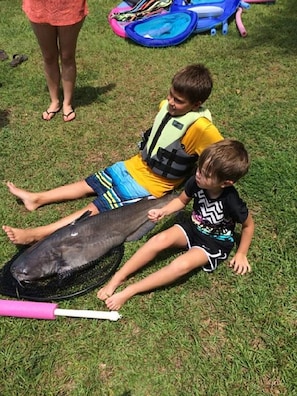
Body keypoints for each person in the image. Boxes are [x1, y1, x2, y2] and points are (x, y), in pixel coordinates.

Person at [2, 64, 223, 245]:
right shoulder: (166, 106)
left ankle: (38, 234)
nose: (172, 103)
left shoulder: (202, 128)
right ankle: (37, 198)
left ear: (197, 104)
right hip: (135, 165)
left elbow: (223, 157)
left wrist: (204, 181)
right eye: (171, 95)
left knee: (96, 207)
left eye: (179, 101)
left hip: (153, 184)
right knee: (88, 184)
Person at [97, 139, 255, 310]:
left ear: (225, 183)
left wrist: (241, 253)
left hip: (213, 243)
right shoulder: (197, 181)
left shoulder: (231, 200)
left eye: (206, 174)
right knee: (159, 239)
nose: (198, 174)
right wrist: (163, 211)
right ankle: (119, 276)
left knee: (182, 265)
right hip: (193, 227)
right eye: (200, 168)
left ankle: (131, 290)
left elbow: (248, 226)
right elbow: (181, 200)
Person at [22, 0, 88, 121]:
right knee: (48, 57)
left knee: (67, 56)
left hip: (69, 5)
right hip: (39, 6)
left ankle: (67, 103)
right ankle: (55, 101)